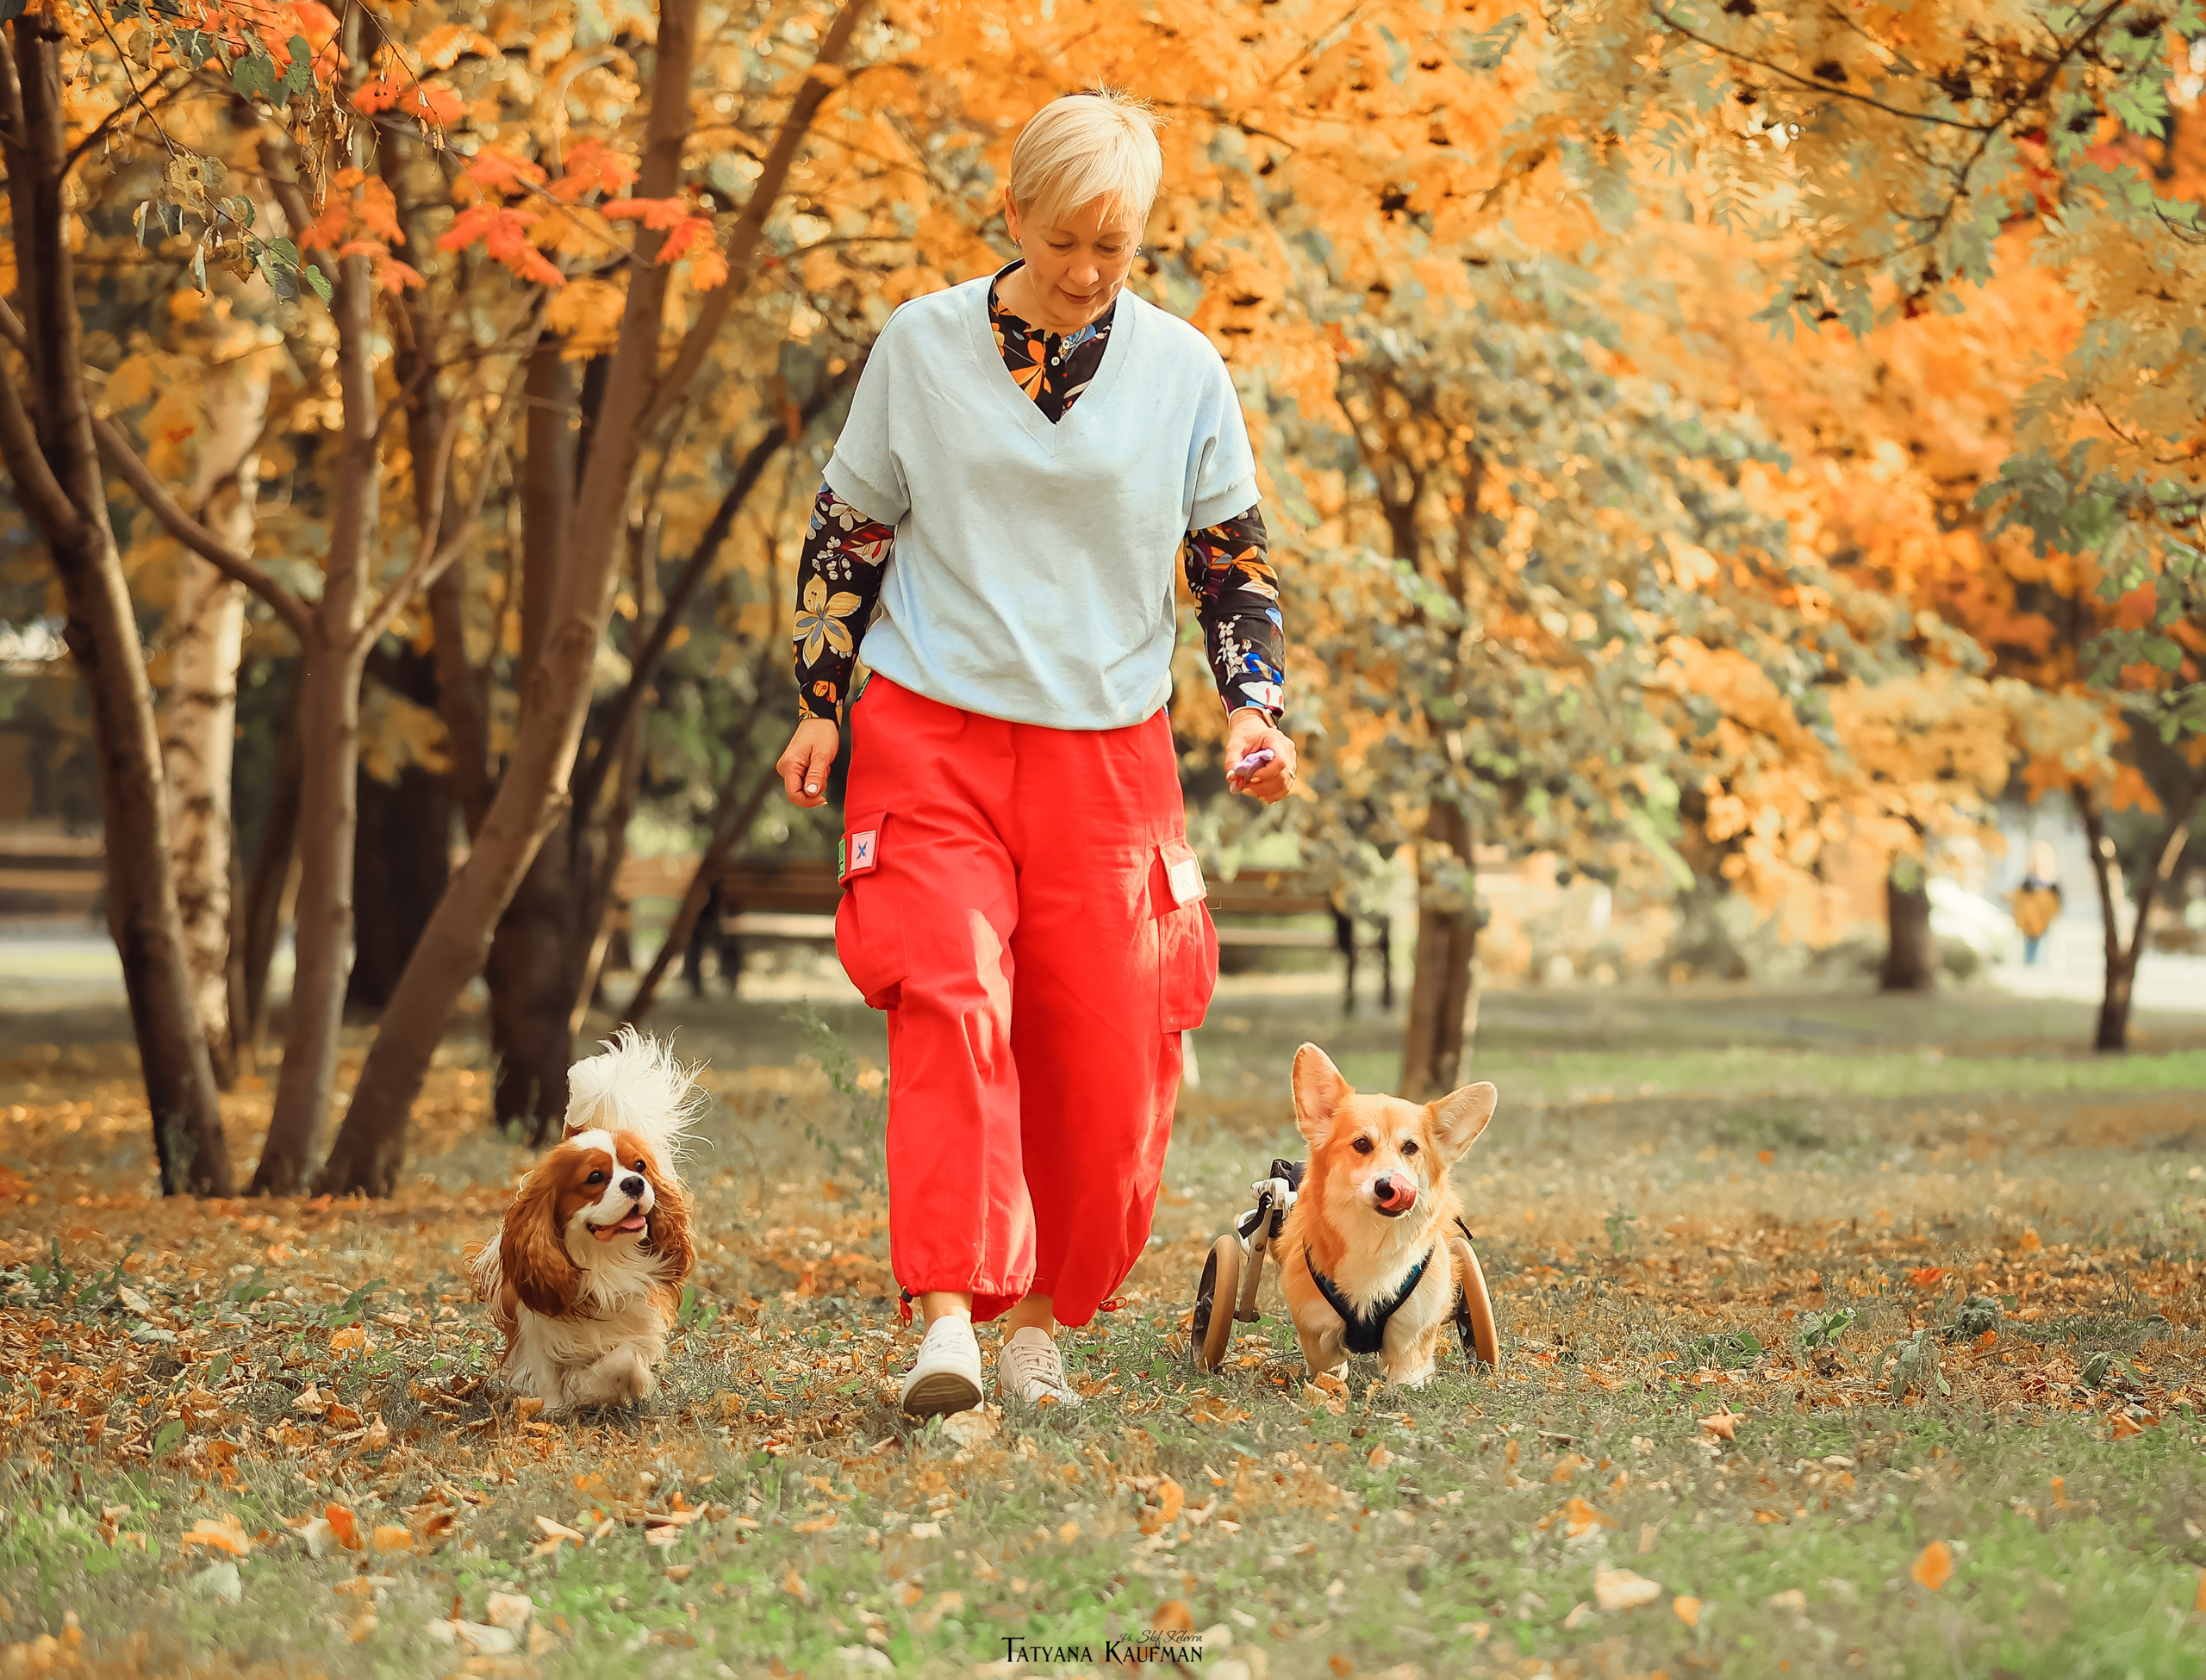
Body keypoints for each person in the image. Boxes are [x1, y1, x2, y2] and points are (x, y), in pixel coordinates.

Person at [773, 88, 1294, 1417]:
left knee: (1117, 1058)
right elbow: (850, 535)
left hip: (1107, 757)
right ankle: (950, 1318)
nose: (1087, 271)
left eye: (1115, 246)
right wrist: (820, 701)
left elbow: (1228, 564)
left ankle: (1043, 1326)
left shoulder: (1183, 370)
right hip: (930, 731)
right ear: (1013, 215)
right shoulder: (921, 345)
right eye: (1065, 240)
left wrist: (1252, 705)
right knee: (951, 997)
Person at [2010, 839, 2061, 966]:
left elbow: (2058, 906)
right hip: (2029, 927)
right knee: (2029, 960)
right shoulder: (2027, 883)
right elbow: (2019, 902)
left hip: (2045, 926)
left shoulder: (2053, 885)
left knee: (2045, 958)